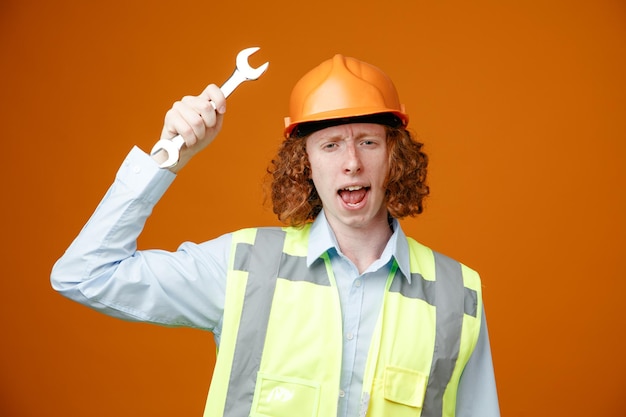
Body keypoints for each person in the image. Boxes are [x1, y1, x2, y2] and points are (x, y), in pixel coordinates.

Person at [51, 54, 500, 417]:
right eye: (330, 144)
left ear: (394, 157)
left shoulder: (457, 296)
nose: (351, 163)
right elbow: (84, 274)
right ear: (304, 163)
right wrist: (166, 160)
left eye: (367, 141)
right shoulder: (244, 267)